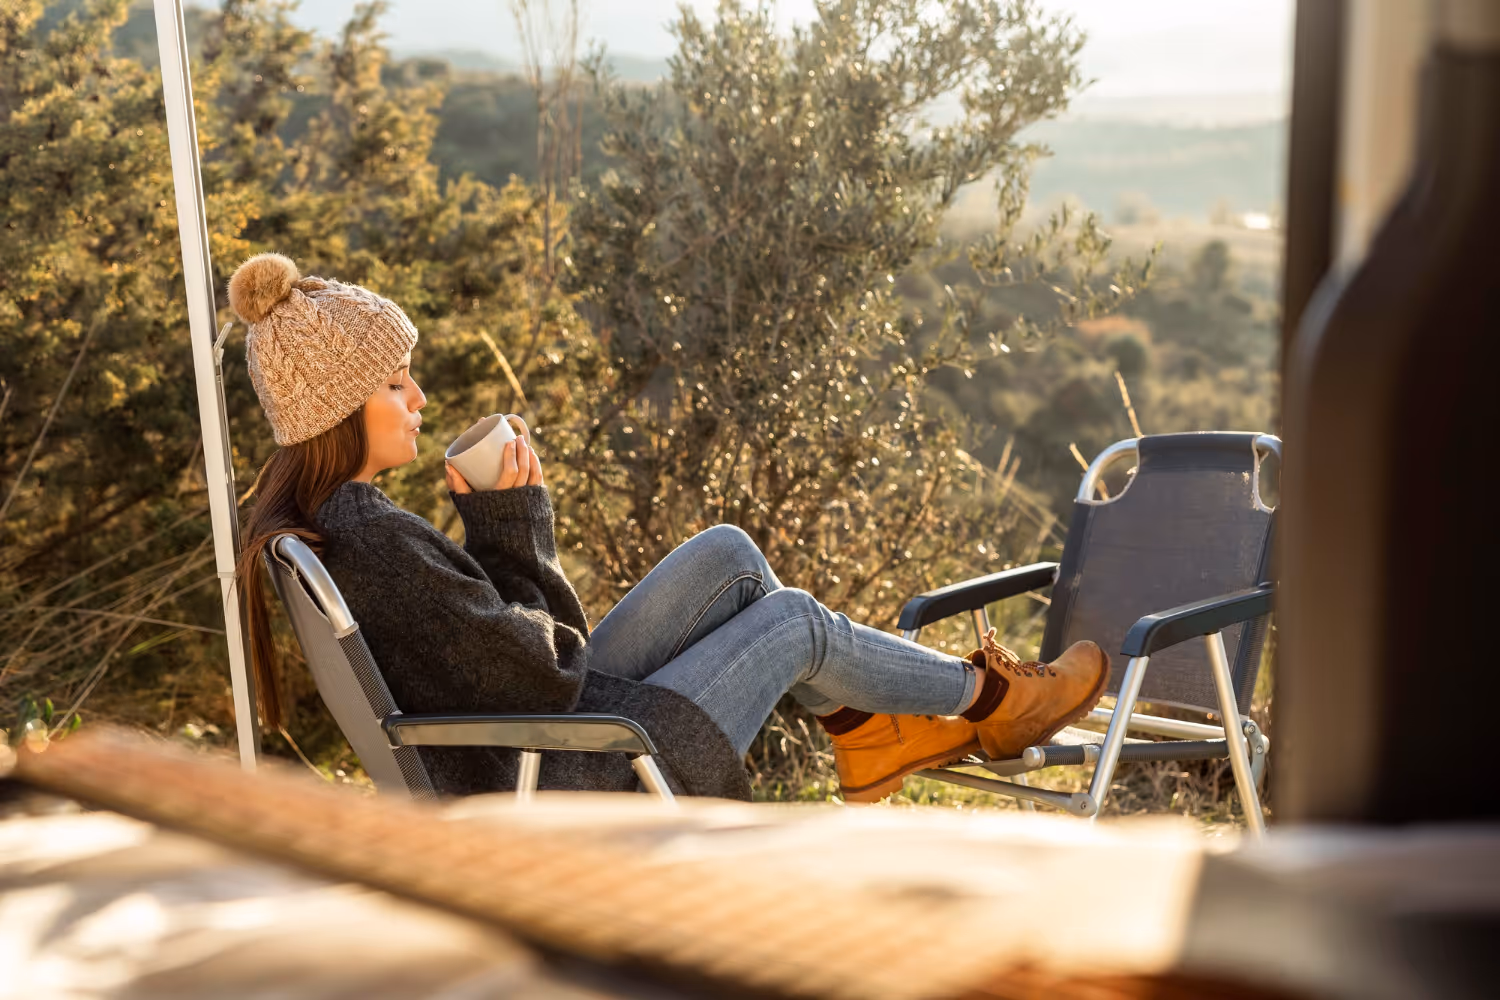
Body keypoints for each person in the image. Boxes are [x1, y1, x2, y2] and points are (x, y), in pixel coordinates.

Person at [231, 253, 1109, 802]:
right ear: (339, 410)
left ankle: (866, 732)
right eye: (394, 385)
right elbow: (543, 671)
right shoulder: (375, 540)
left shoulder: (339, 524)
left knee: (728, 555)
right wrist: (510, 522)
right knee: (795, 620)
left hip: (541, 736)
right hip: (583, 767)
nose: (419, 399)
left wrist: (500, 523)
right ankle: (995, 703)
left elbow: (501, 658)